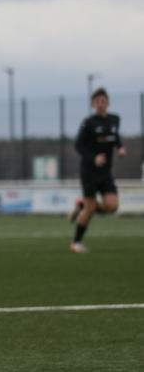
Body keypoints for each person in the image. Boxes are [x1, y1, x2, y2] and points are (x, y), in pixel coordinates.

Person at [68, 87, 126, 253]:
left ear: (108, 102)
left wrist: (120, 147)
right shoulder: (88, 122)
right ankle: (76, 243)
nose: (101, 104)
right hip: (89, 172)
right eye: (97, 101)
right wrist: (93, 158)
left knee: (112, 206)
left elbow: (115, 136)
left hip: (105, 172)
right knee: (91, 209)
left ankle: (81, 205)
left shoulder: (115, 119)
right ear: (93, 104)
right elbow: (78, 145)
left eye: (104, 101)